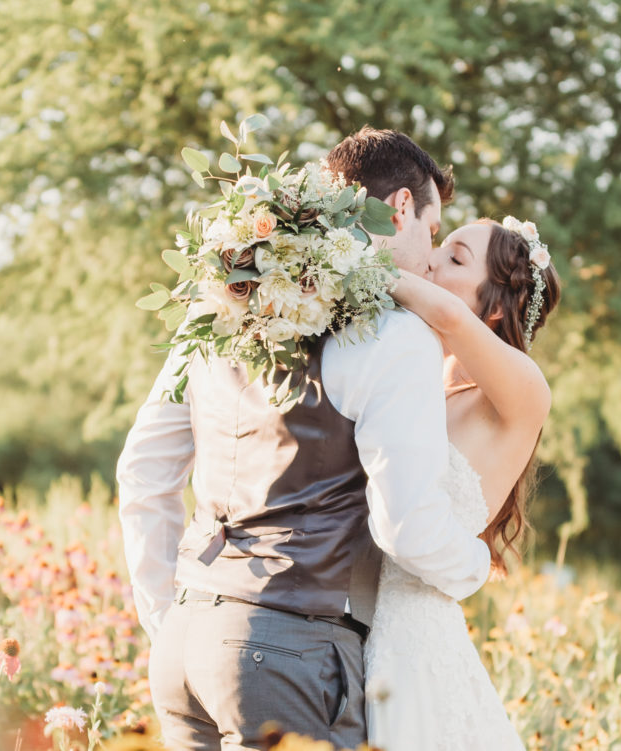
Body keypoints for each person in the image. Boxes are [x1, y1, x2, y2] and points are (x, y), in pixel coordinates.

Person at [116, 127, 492, 750]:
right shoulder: (396, 338)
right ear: (401, 208)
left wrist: (169, 615)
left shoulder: (220, 302)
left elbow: (144, 469)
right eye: (431, 232)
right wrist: (475, 566)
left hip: (184, 647)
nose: (430, 259)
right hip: (289, 658)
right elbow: (407, 527)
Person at [365, 217, 561, 750]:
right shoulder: (419, 382)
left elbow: (449, 316)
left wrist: (353, 262)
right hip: (349, 627)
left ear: (495, 306)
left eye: (453, 259)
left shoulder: (523, 391)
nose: (428, 261)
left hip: (412, 642)